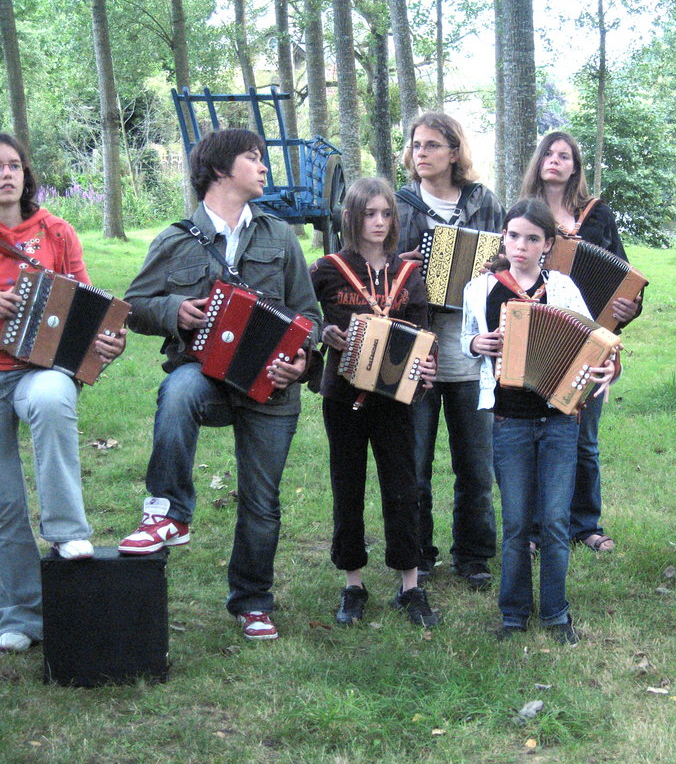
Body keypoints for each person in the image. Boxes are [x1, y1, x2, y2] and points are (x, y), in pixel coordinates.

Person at [117, 128, 321, 641]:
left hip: (271, 385)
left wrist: (300, 360)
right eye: (253, 157)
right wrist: (174, 310)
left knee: (261, 501)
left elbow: (309, 316)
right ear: (219, 169)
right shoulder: (175, 239)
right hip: (204, 374)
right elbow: (133, 306)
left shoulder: (280, 236)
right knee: (178, 392)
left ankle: (252, 601)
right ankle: (168, 513)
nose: (264, 166)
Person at [461, 199, 616, 643]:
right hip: (509, 419)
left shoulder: (562, 288)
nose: (521, 246)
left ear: (548, 244)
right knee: (515, 523)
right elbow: (463, 341)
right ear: (503, 238)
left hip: (559, 420)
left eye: (532, 239)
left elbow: (595, 342)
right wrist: (476, 344)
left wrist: (609, 366)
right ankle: (513, 613)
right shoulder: (481, 289)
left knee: (554, 521)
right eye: (514, 236)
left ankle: (555, 612)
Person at [0, 132, 125, 653]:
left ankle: (68, 530)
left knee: (54, 395)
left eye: (13, 165)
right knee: (4, 502)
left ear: (25, 174)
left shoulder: (57, 232)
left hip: (38, 370)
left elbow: (91, 305)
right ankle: (20, 615)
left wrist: (106, 341)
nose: (5, 174)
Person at [309, 177, 440, 627]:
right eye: (369, 214)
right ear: (351, 218)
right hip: (343, 395)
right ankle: (353, 584)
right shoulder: (327, 269)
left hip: (395, 399)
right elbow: (302, 315)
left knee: (403, 487)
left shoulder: (408, 275)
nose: (379, 222)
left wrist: (428, 365)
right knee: (347, 484)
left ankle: (410, 585)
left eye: (386, 214)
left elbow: (424, 332)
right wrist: (323, 332)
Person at [396, 112, 504, 589]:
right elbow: (374, 269)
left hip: (473, 348)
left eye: (432, 145)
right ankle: (417, 554)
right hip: (417, 348)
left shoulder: (484, 203)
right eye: (416, 144)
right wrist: (401, 269)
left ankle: (474, 556)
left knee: (476, 466)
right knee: (414, 465)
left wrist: (495, 267)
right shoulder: (399, 205)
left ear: (455, 152)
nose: (421, 153)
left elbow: (511, 266)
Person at [520, 131, 641, 553]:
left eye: (564, 156)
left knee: (584, 438)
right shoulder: (526, 214)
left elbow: (626, 276)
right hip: (537, 335)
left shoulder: (598, 215)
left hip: (589, 339)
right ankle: (535, 529)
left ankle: (585, 524)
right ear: (538, 162)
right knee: (534, 434)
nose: (555, 161)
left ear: (575, 167)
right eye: (548, 154)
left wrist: (629, 308)